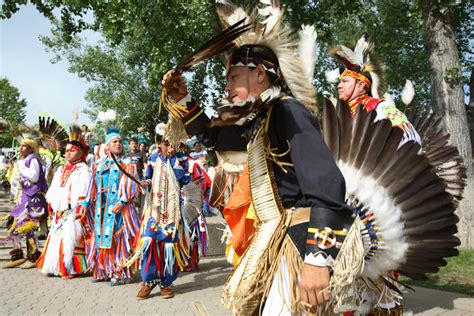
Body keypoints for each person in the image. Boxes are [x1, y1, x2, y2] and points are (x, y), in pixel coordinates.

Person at [160, 4, 353, 314]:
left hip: (298, 241)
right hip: (272, 237)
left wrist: (318, 260)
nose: (226, 85)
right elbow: (213, 138)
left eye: (234, 76)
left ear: (260, 74)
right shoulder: (258, 119)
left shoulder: (287, 111)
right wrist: (183, 98)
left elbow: (328, 185)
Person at [129, 135, 205, 300]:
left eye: (173, 145)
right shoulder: (153, 158)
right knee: (148, 241)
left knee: (169, 246)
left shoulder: (180, 159)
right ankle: (148, 281)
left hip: (172, 210)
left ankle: (166, 283)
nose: (170, 148)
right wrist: (145, 184)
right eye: (166, 144)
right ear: (158, 144)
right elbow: (148, 177)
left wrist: (173, 161)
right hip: (154, 209)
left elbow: (184, 179)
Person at [78, 127, 141, 285]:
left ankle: (121, 273)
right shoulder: (99, 164)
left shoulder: (127, 164)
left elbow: (132, 185)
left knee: (117, 239)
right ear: (107, 145)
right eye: (115, 142)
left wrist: (122, 201)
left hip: (119, 209)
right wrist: (85, 204)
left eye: (120, 142)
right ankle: (103, 271)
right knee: (100, 239)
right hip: (101, 209)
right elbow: (91, 186)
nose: (118, 144)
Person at [36, 126, 90, 278]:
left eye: (71, 150)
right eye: (66, 150)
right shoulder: (61, 169)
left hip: (73, 211)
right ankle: (54, 267)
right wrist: (51, 204)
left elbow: (84, 191)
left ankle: (69, 268)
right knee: (55, 238)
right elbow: (53, 190)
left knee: (70, 239)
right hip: (59, 211)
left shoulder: (83, 169)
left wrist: (80, 208)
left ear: (80, 152)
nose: (67, 152)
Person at [1, 136, 48, 269]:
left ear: (31, 148)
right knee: (13, 225)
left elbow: (33, 177)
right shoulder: (24, 160)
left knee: (27, 227)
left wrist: (21, 167)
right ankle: (18, 255)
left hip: (33, 199)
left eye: (24, 146)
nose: (20, 148)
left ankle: (34, 256)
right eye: (20, 146)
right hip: (24, 198)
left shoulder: (33, 160)